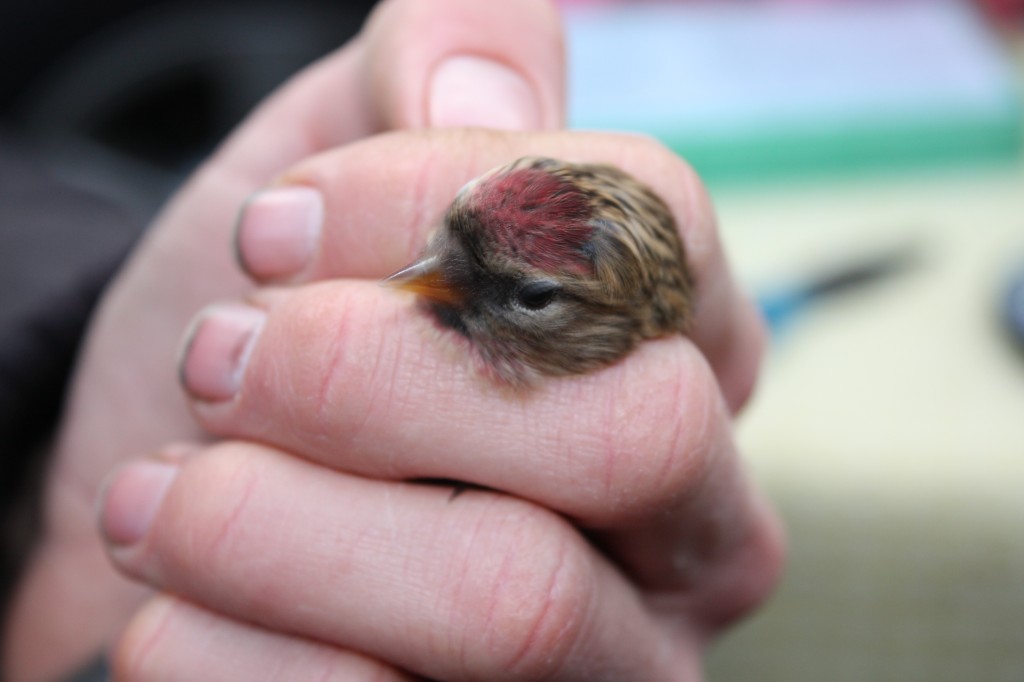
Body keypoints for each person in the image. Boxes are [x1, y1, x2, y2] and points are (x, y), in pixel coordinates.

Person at [3, 0, 784, 679]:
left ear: (618, 338)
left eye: (533, 297)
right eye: (446, 232)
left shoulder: (608, 455)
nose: (424, 276)